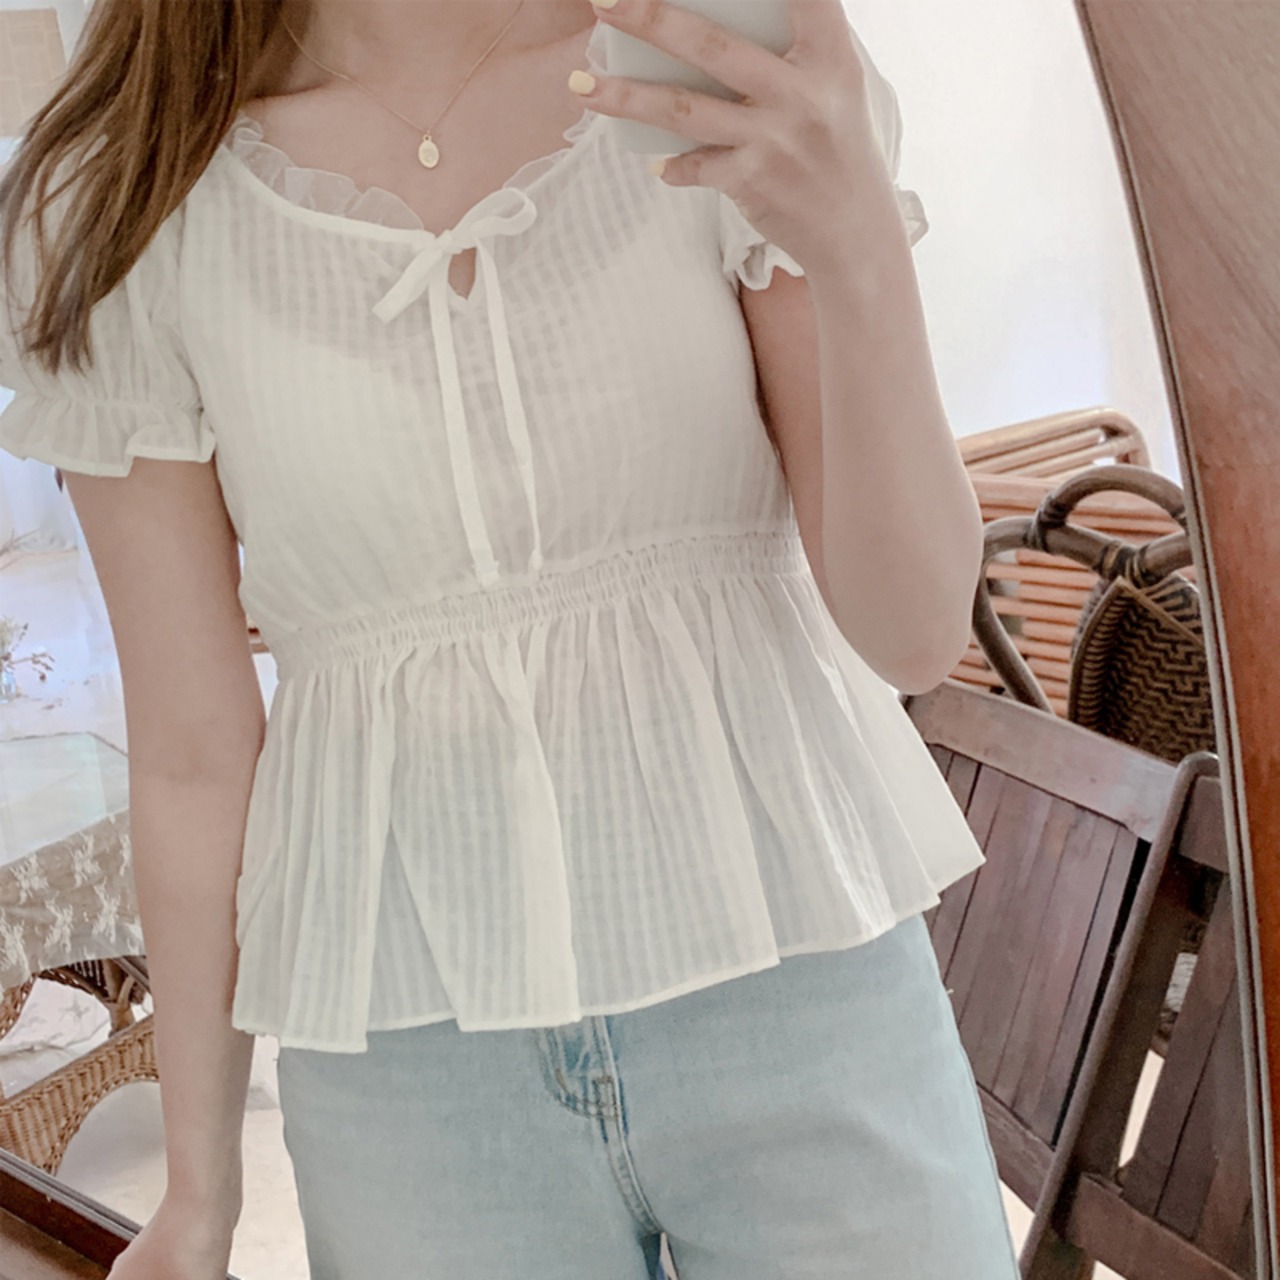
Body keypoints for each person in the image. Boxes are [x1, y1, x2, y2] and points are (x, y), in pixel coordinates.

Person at [0, 0, 1020, 1276]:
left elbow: (913, 632)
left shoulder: (710, 63)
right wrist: (201, 1192)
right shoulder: (127, 193)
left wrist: (855, 233)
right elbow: (197, 751)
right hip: (411, 1072)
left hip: (797, 979)